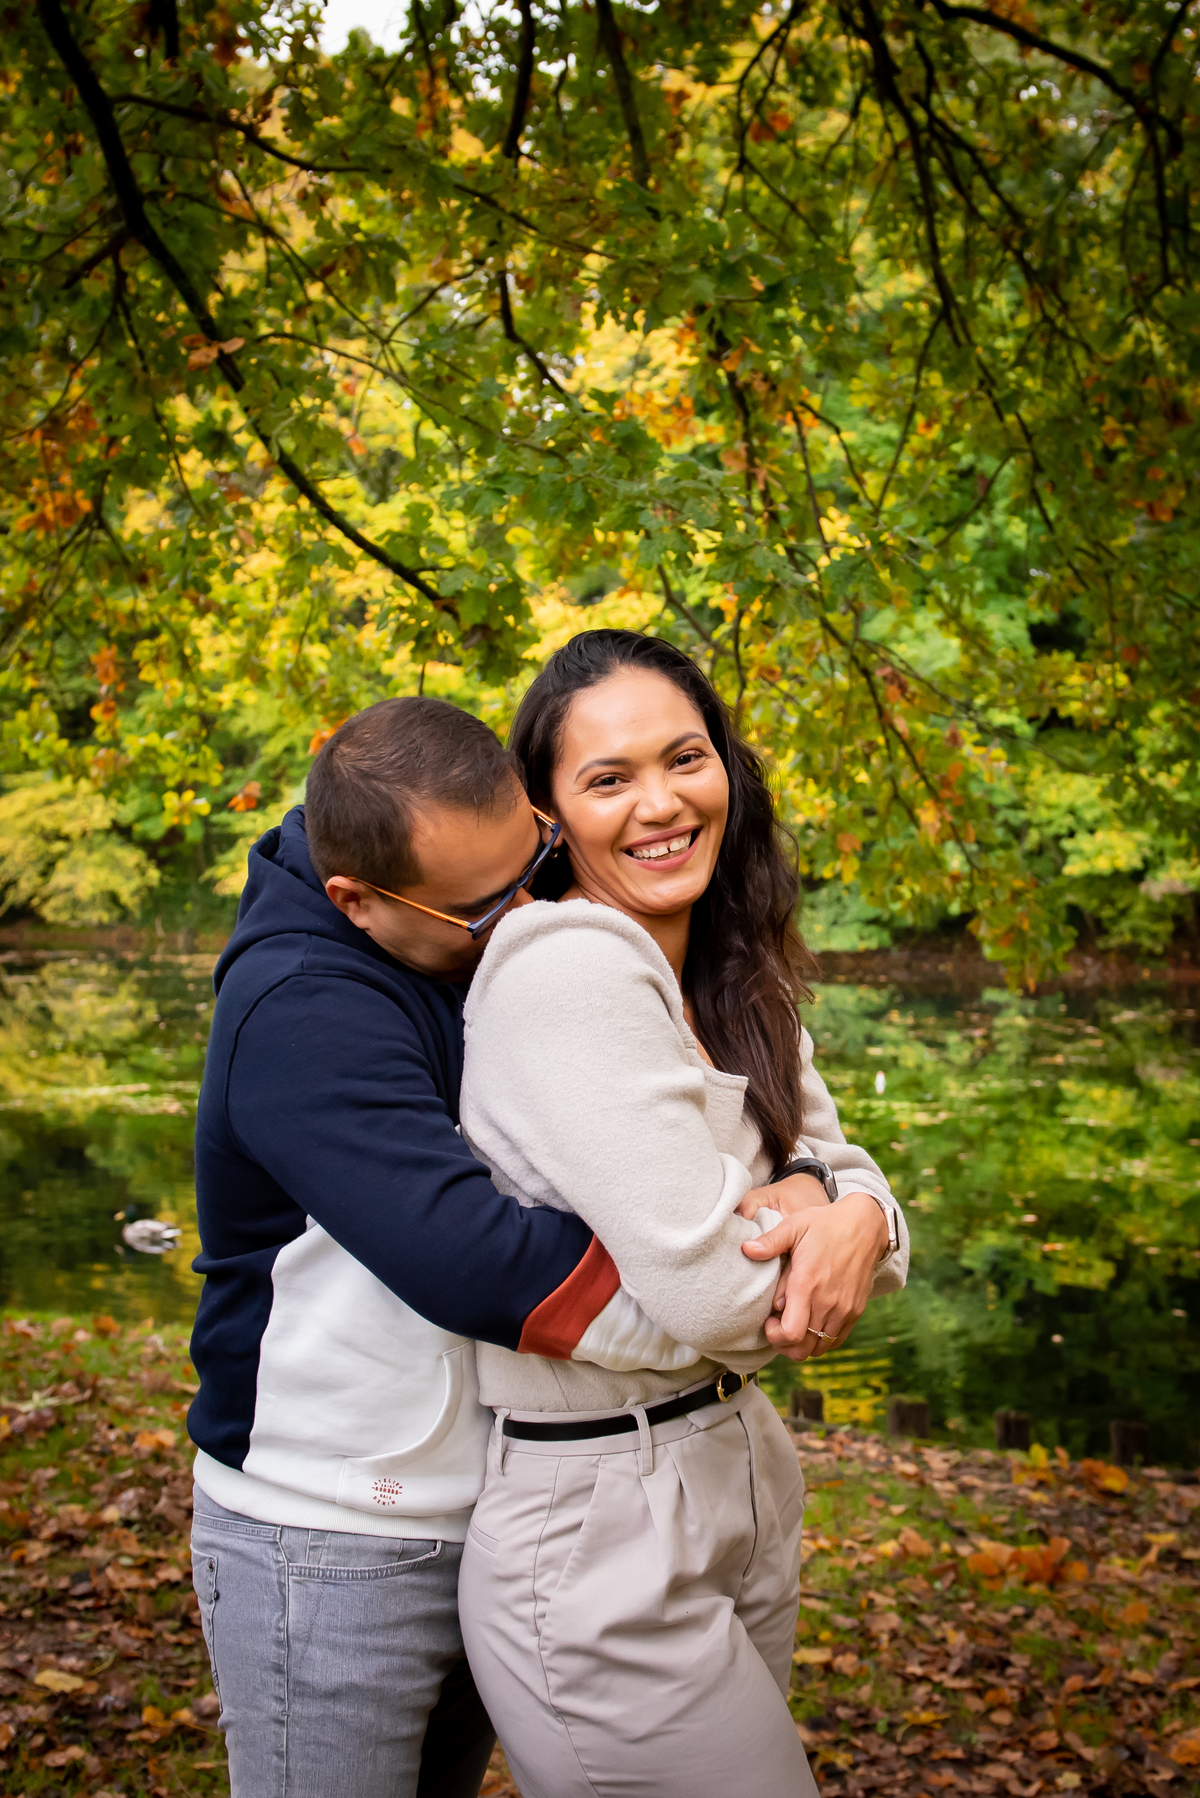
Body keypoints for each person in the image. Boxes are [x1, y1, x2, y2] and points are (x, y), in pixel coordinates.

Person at [188, 694, 818, 1798]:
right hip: (333, 1529)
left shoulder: (490, 911)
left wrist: (821, 1190)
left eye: (534, 858)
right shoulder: (300, 1008)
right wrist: (734, 1306)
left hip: (493, 1499)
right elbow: (478, 1261)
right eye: (484, 909)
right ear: (356, 901)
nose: (527, 909)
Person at [457, 630, 909, 1798]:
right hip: (603, 1524)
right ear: (549, 815)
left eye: (685, 758)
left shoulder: (731, 970)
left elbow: (851, 1188)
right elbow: (727, 1298)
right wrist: (837, 1208)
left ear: (727, 769)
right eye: (608, 778)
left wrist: (855, 1213)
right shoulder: (565, 969)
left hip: (735, 1469)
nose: (660, 803)